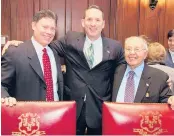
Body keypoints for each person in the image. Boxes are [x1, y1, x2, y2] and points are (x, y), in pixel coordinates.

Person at [1, 5, 125, 135]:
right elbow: (39, 46)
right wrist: (19, 44)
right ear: (83, 22)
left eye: (97, 20)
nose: (93, 24)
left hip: (98, 109)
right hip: (70, 109)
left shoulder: (115, 46)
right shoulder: (69, 40)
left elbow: (123, 69)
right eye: (89, 19)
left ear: (103, 23)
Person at [1, 10, 64, 106]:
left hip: (55, 114)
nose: (49, 32)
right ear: (33, 26)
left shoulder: (55, 53)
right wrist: (5, 98)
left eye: (53, 29)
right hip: (29, 116)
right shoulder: (15, 52)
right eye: (45, 27)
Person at [112, 36, 174, 109]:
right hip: (115, 119)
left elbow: (166, 100)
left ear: (145, 54)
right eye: (128, 49)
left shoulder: (159, 76)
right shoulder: (114, 71)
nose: (132, 53)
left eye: (137, 49)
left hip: (142, 119)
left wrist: (171, 99)